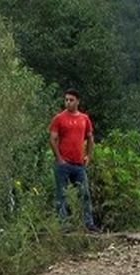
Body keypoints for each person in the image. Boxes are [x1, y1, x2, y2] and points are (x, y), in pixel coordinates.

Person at [48, 88, 99, 232]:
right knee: (61, 195)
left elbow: (90, 138)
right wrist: (59, 158)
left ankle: (88, 223)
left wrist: (88, 155)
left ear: (77, 101)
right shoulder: (59, 118)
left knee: (84, 194)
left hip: (79, 164)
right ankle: (63, 225)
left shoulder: (84, 118)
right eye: (66, 100)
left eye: (71, 100)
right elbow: (52, 139)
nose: (68, 103)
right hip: (63, 163)